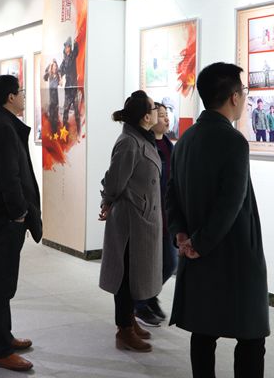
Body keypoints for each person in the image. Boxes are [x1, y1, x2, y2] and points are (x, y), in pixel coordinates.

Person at [166, 62, 269, 378]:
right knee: (250, 336)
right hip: (234, 256)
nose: (244, 98)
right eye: (243, 92)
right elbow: (231, 203)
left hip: (197, 253)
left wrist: (181, 235)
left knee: (203, 331)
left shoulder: (185, 140)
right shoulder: (233, 141)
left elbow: (171, 194)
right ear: (234, 97)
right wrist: (200, 242)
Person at [0, 75, 42, 372]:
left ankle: (4, 336)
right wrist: (18, 213)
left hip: (3, 216)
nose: (24, 96)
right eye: (21, 92)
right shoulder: (2, 127)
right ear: (10, 97)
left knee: (4, 282)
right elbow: (7, 177)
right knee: (0, 285)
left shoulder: (0, 123)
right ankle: (0, 350)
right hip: (4, 218)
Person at [99, 90, 162, 353]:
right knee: (125, 275)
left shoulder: (141, 138)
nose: (158, 112)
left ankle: (130, 320)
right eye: (154, 108)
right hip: (130, 221)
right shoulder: (129, 143)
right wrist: (107, 200)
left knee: (135, 274)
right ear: (146, 117)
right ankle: (124, 329)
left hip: (141, 218)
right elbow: (115, 180)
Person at [133, 102, 176, 327]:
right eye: (161, 115)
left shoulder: (169, 146)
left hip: (167, 215)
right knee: (150, 263)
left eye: (167, 115)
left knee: (169, 263)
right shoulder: (144, 146)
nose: (166, 119)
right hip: (149, 214)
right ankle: (140, 304)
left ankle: (148, 297)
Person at [59, 37, 80, 135]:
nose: (66, 48)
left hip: (74, 87)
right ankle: (64, 132)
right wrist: (60, 77)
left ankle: (79, 131)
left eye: (67, 46)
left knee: (76, 111)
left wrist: (75, 43)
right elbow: (60, 69)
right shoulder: (64, 60)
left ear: (69, 47)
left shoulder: (72, 55)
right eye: (65, 47)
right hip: (68, 88)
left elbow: (76, 51)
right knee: (65, 110)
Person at [43, 59, 60, 134]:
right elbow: (45, 71)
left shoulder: (58, 76)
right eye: (54, 66)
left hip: (56, 100)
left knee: (56, 118)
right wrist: (51, 63)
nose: (55, 68)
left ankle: (55, 132)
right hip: (51, 100)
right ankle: (52, 132)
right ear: (52, 67)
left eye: (56, 66)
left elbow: (60, 69)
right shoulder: (49, 75)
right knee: (51, 118)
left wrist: (55, 62)